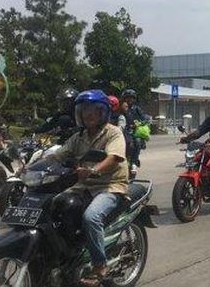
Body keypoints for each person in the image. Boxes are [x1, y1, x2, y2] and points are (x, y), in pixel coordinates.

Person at [48, 90, 129, 287]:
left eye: (93, 110)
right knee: (52, 206)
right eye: (84, 110)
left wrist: (94, 170)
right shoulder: (79, 136)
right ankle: (66, 253)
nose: (88, 114)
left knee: (91, 217)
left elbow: (113, 157)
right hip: (83, 186)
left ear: (103, 113)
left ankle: (100, 266)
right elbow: (58, 155)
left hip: (110, 186)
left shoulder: (113, 132)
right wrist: (33, 166)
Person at [122, 89, 147, 174]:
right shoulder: (121, 108)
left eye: (131, 98)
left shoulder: (136, 108)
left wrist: (138, 124)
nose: (129, 100)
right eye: (127, 98)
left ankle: (134, 162)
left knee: (137, 142)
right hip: (123, 130)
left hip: (135, 131)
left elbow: (144, 119)